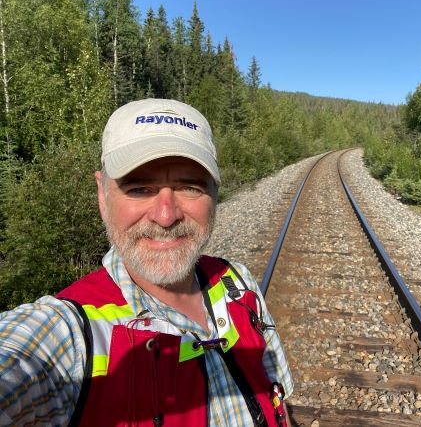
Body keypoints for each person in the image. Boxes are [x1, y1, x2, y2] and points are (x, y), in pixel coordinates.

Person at [0, 99, 293, 426]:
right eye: (139, 188)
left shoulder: (238, 284)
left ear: (214, 193)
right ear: (102, 194)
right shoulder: (73, 332)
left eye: (189, 186)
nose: (166, 216)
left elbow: (278, 401)